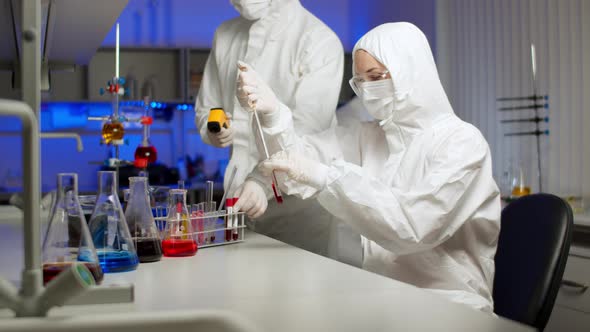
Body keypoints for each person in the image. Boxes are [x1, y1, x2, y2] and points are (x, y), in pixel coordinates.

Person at [238, 22, 501, 312]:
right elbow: (297, 156)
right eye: (359, 81)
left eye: (375, 77)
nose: (366, 90)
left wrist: (325, 177)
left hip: (450, 306)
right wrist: (273, 115)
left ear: (410, 71)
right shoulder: (371, 136)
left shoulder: (462, 144)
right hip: (383, 297)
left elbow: (412, 227)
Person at [195, 0, 345, 257]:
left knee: (295, 294)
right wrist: (214, 129)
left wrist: (260, 181)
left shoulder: (319, 41)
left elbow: (306, 137)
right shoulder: (226, 34)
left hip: (298, 210)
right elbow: (208, 108)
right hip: (238, 201)